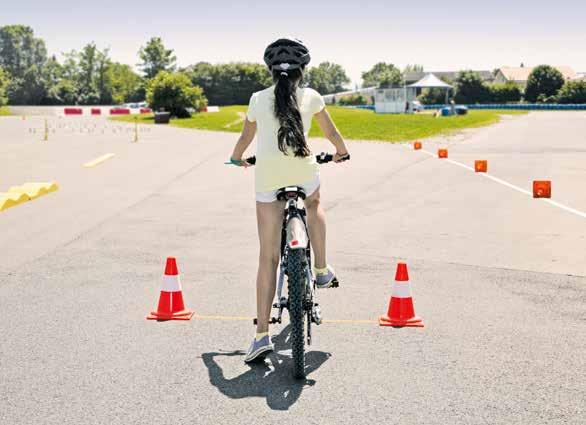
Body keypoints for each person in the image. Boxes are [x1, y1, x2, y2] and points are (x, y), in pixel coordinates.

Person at [229, 37, 350, 363]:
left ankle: (261, 336)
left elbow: (244, 138)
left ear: (271, 70)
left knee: (267, 257)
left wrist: (236, 157)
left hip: (267, 180)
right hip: (304, 174)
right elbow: (333, 134)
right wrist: (341, 152)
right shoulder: (311, 97)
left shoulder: (257, 98)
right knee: (314, 205)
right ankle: (322, 269)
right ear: (302, 70)